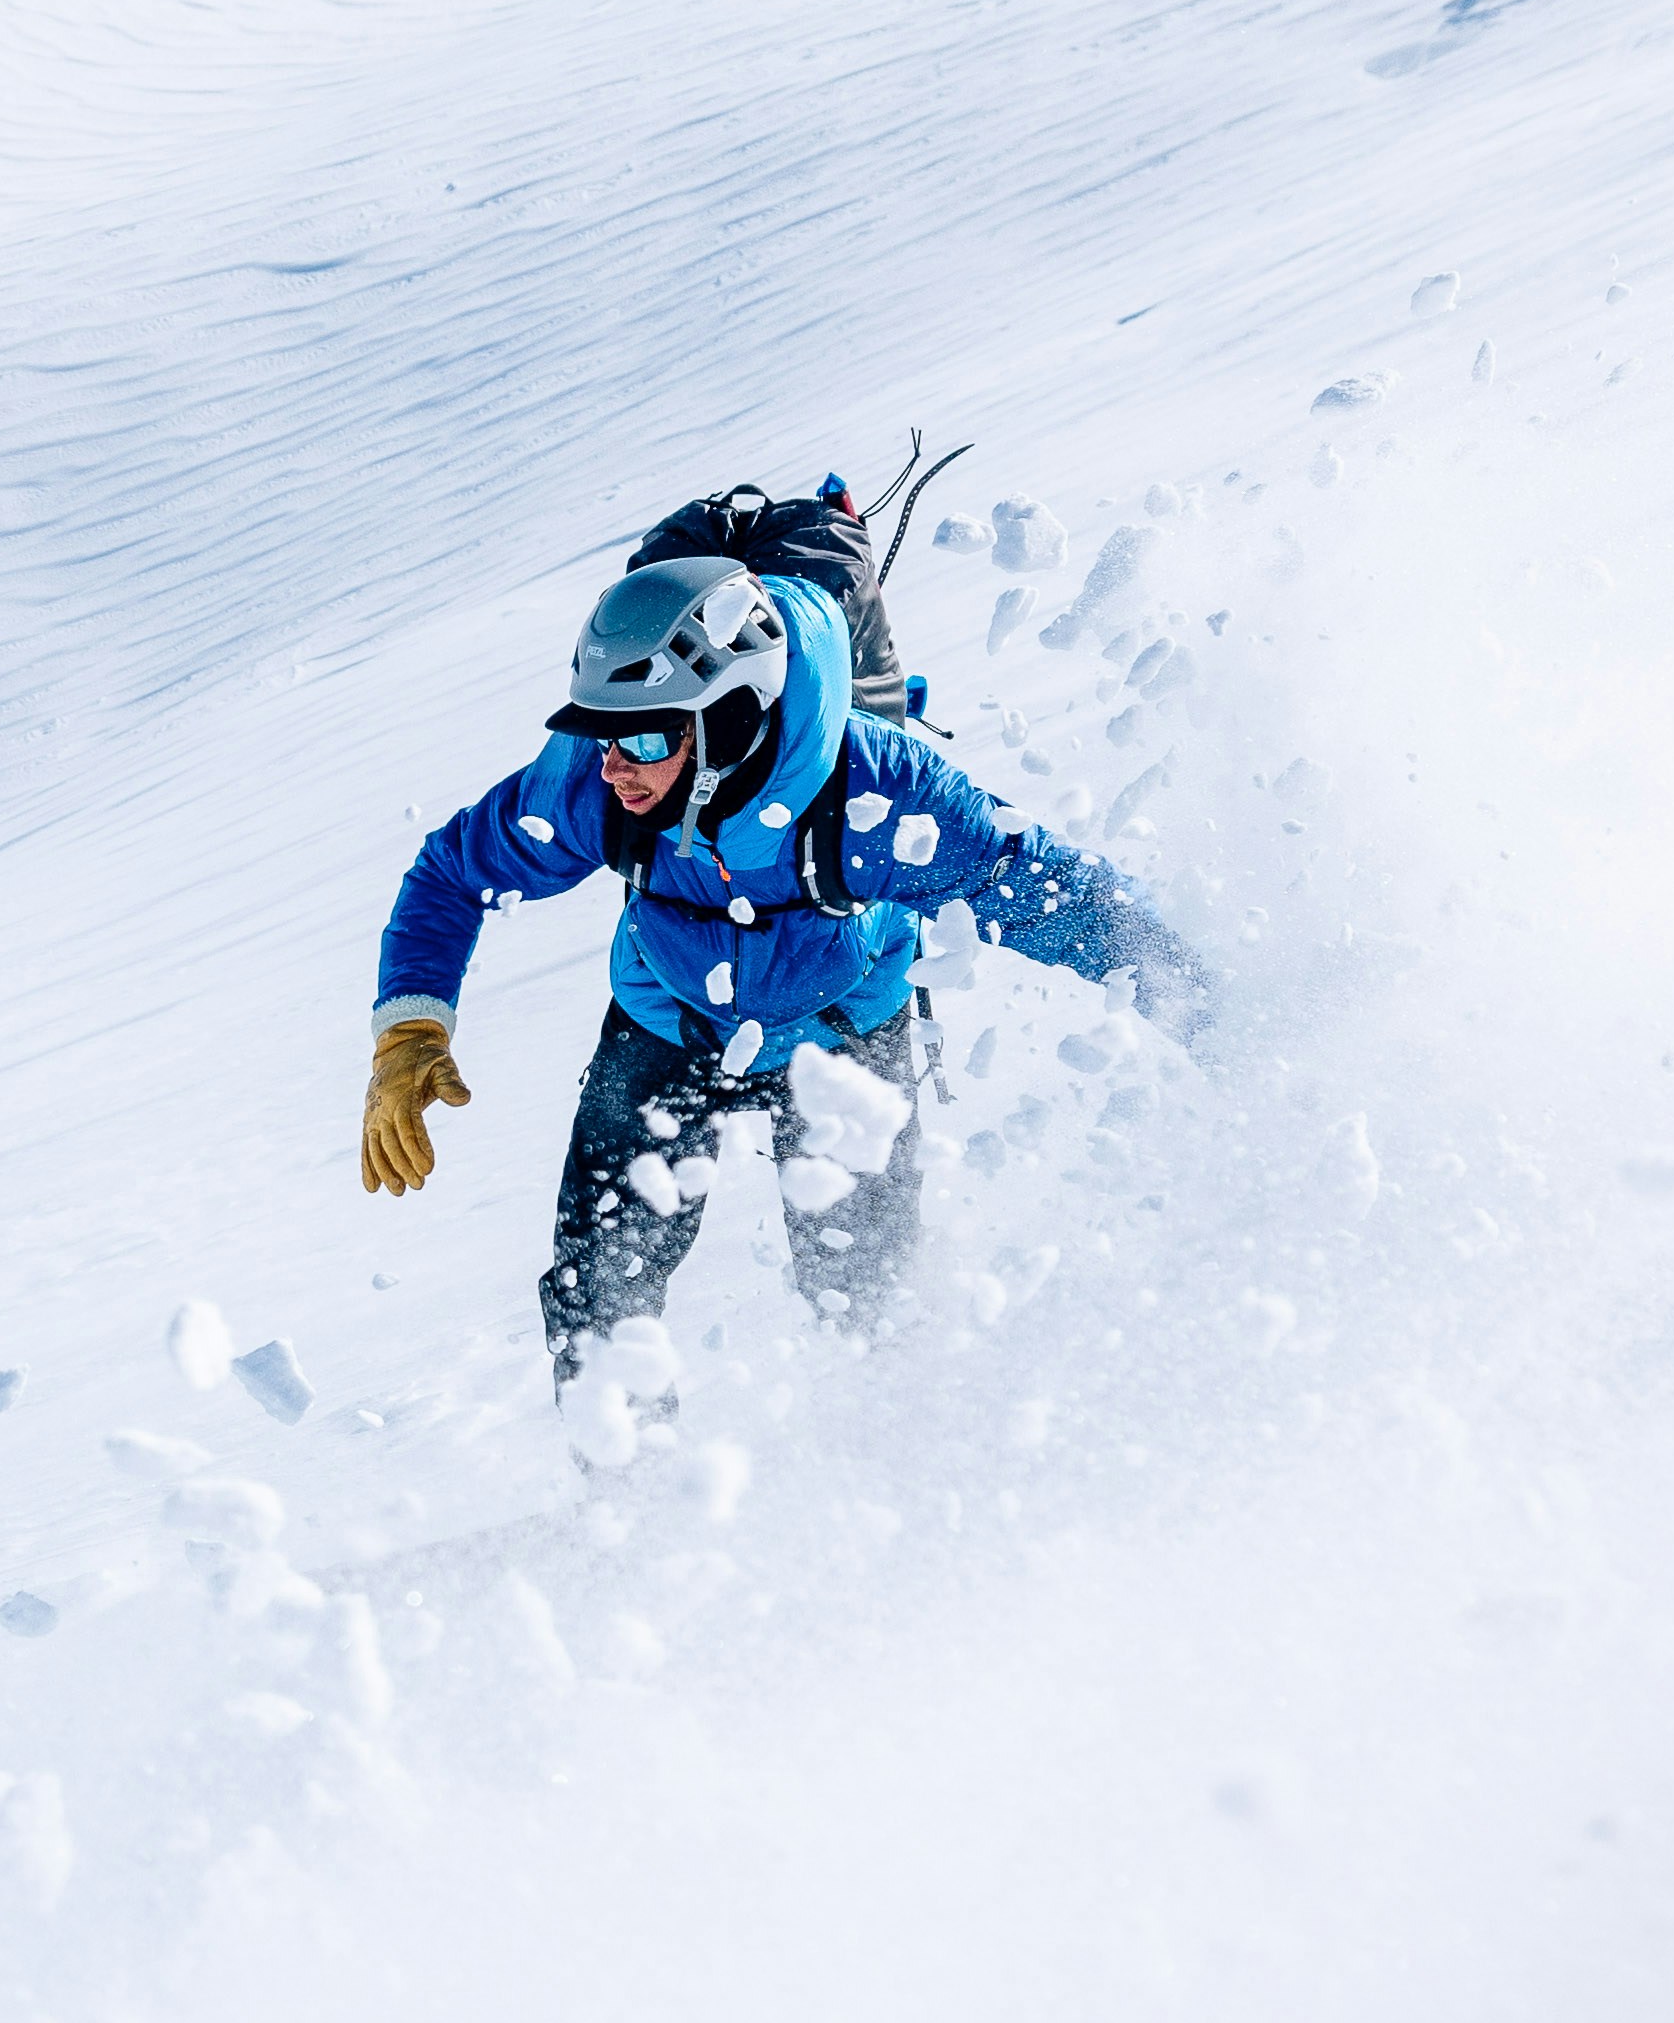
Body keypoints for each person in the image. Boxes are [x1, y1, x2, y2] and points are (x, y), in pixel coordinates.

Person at [360, 504, 1201, 1412]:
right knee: (596, 1295)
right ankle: (630, 1513)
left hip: (841, 1041)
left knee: (864, 1296)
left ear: (729, 719)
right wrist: (410, 1027)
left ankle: (903, 1457)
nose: (612, 766)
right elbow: (452, 874)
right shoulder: (590, 786)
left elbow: (1049, 894)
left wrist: (1200, 1001)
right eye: (605, 733)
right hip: (663, 1028)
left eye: (642, 737)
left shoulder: (878, 794)